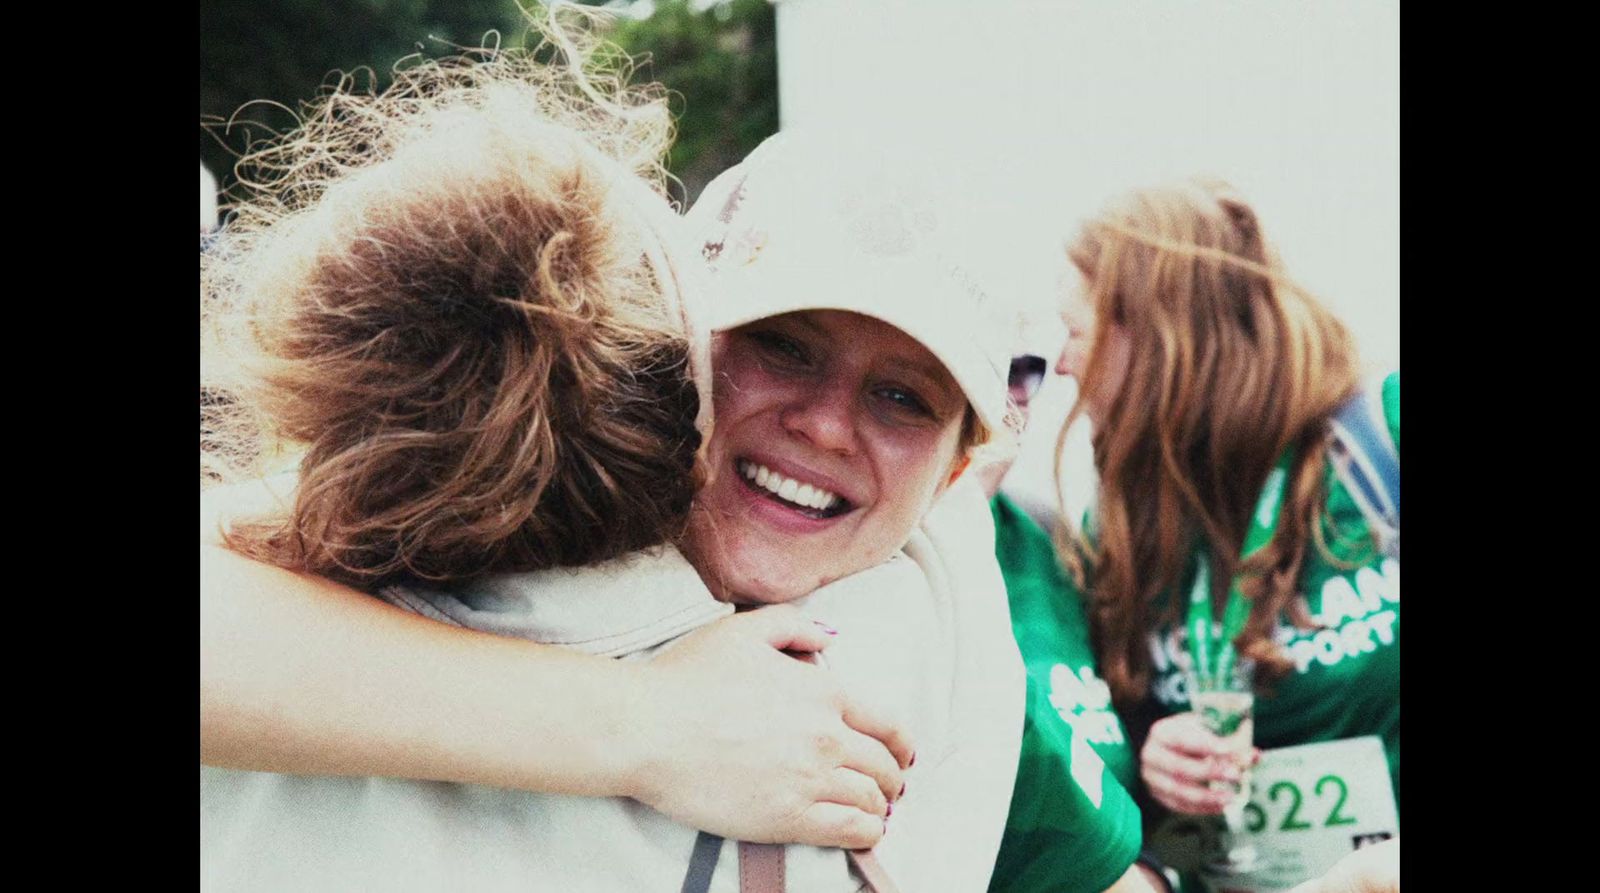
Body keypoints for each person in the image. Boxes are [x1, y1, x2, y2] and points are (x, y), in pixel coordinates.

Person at [200, 22, 1023, 891]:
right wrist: (651, 726)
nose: (824, 425)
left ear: (954, 476)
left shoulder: (944, 622)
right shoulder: (398, 544)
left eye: (904, 399)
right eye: (783, 346)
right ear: (668, 347)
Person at [1051, 179, 1399, 892]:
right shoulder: (1115, 527)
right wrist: (1155, 759)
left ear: (1156, 332)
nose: (1062, 365)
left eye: (1075, 334)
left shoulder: (1380, 441)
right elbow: (1128, 809)